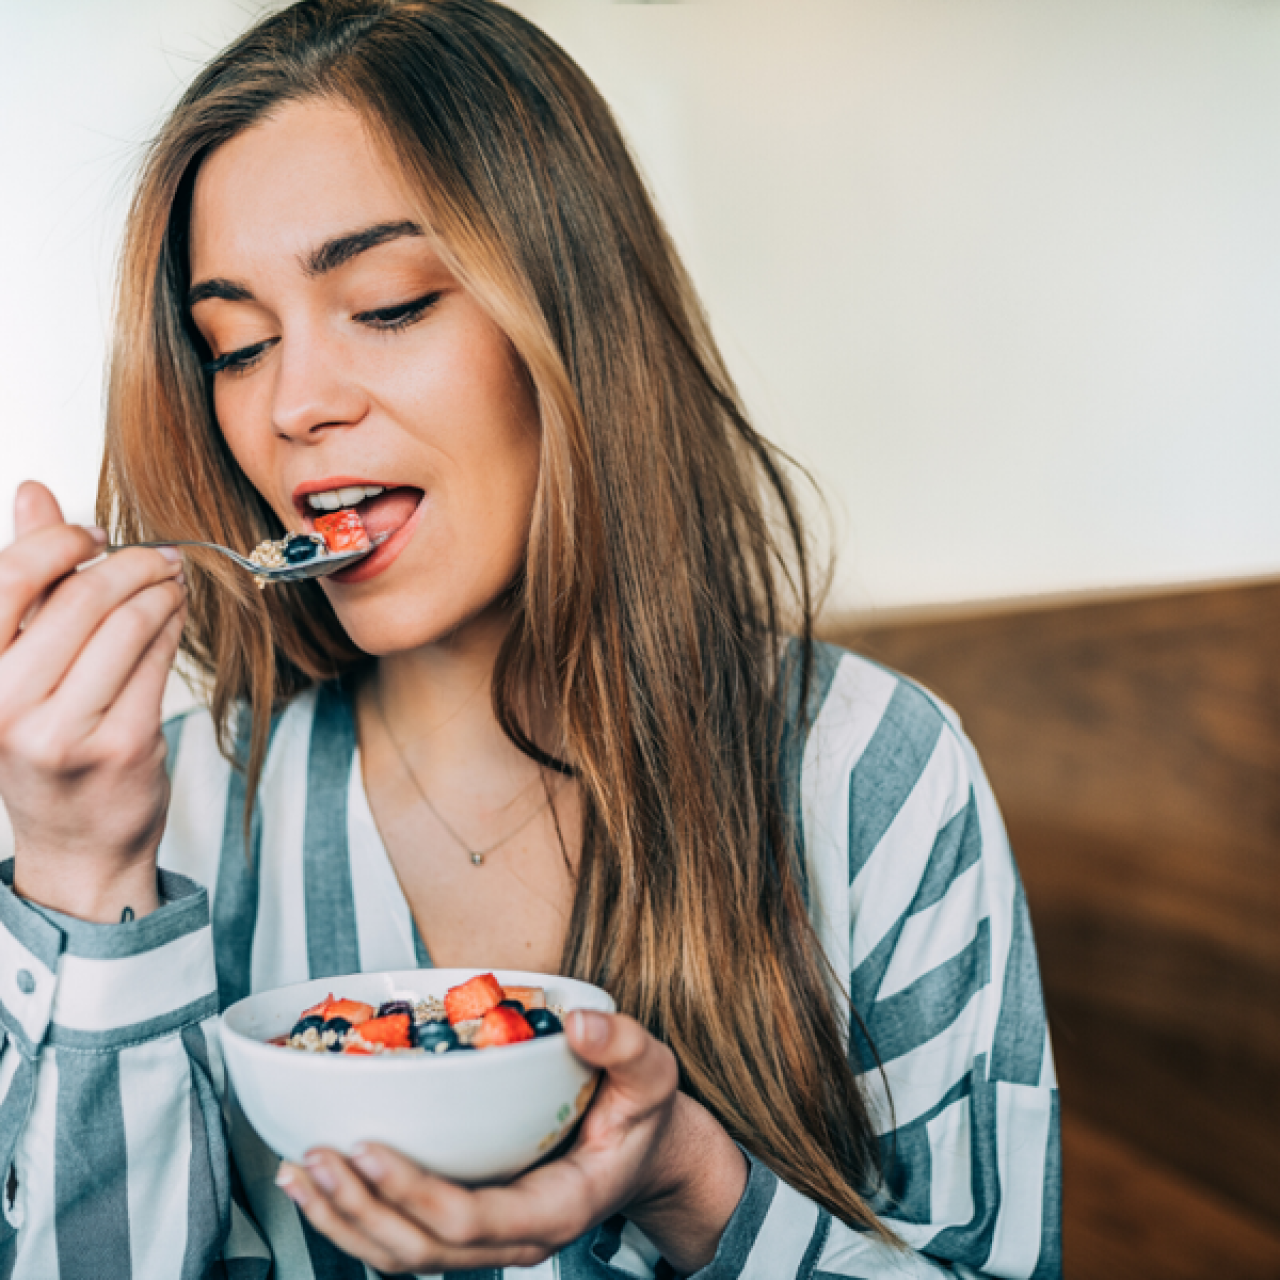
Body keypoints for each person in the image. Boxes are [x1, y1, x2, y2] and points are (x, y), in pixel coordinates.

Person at [0, 1, 1060, 1276]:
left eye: (385, 304)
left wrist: (688, 1178)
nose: (293, 404)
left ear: (571, 317)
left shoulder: (867, 775)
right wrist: (80, 874)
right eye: (238, 342)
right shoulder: (172, 812)